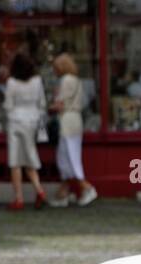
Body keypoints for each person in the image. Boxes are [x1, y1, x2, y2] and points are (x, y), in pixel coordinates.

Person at [48, 54, 97, 208]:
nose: (54, 70)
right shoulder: (77, 80)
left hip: (67, 121)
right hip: (76, 119)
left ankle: (86, 187)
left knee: (68, 156)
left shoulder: (66, 81)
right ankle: (63, 192)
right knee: (67, 155)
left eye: (56, 67)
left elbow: (59, 104)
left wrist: (47, 107)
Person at [3, 52, 47, 211]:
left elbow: (8, 104)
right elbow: (42, 103)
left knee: (15, 162)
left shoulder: (12, 83)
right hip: (33, 121)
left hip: (16, 121)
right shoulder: (37, 81)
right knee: (30, 157)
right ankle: (39, 190)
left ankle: (19, 198)